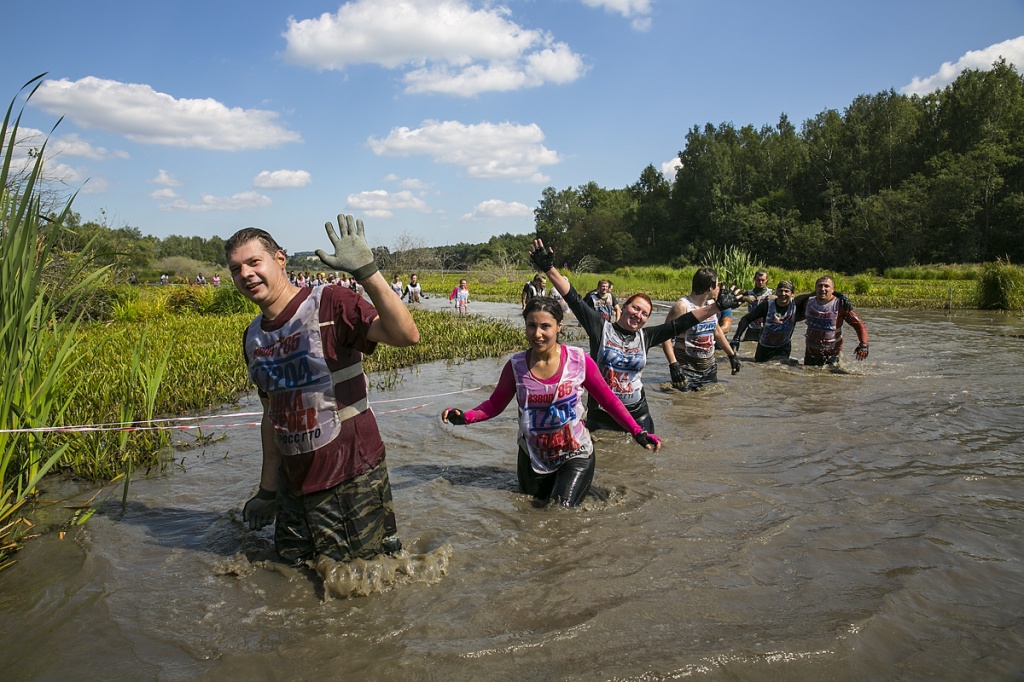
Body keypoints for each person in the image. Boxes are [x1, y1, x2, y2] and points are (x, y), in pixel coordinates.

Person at [226, 213, 420, 565]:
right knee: (291, 574)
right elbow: (272, 417)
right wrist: (268, 489)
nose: (246, 274)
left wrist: (368, 273)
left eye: (254, 262)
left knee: (365, 578)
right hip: (293, 485)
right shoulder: (254, 336)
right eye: (236, 269)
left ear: (279, 260)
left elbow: (406, 335)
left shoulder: (330, 302)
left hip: (350, 474)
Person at [441, 296, 662, 508]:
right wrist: (465, 417)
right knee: (531, 510)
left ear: (559, 326)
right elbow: (494, 405)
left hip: (575, 453)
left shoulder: (578, 360)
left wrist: (637, 431)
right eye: (531, 326)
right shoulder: (516, 366)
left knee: (560, 511)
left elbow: (609, 400)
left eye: (545, 326)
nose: (537, 334)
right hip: (532, 455)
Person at [530, 240, 742, 433]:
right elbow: (573, 298)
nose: (638, 315)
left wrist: (717, 307)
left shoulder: (646, 337)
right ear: (624, 307)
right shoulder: (600, 328)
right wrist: (549, 269)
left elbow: (682, 323)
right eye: (635, 308)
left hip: (638, 414)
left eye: (644, 313)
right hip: (601, 414)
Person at [661, 268, 742, 391]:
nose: (718, 288)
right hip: (687, 369)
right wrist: (673, 364)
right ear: (711, 286)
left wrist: (731, 355)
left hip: (709, 368)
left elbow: (717, 332)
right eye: (717, 285)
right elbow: (665, 336)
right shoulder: (682, 306)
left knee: (707, 407)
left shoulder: (711, 305)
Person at [801, 275, 869, 367]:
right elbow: (793, 318)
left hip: (832, 354)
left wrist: (863, 345)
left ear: (833, 290)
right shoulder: (808, 303)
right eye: (820, 286)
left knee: (831, 379)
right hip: (810, 353)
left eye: (826, 286)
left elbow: (859, 325)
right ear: (815, 288)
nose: (823, 289)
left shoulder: (840, 305)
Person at [730, 280, 799, 362]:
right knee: (761, 368)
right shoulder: (767, 305)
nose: (783, 294)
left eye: (786, 291)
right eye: (780, 291)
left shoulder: (796, 305)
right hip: (765, 347)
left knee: (782, 371)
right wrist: (736, 337)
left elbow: (812, 296)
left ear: (792, 294)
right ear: (776, 293)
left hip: (783, 346)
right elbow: (746, 319)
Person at [739, 269, 773, 342]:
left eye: (763, 280)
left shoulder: (771, 293)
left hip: (766, 328)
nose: (760, 282)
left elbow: (788, 301)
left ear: (766, 280)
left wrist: (776, 298)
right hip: (752, 328)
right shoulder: (749, 293)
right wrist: (744, 298)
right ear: (754, 279)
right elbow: (734, 300)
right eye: (758, 280)